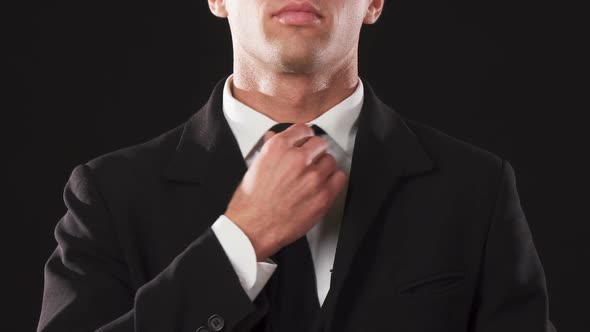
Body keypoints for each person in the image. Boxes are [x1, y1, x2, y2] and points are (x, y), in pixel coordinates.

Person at [37, 0, 557, 331]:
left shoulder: (476, 188)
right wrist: (239, 242)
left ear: (374, 2)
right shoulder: (108, 193)